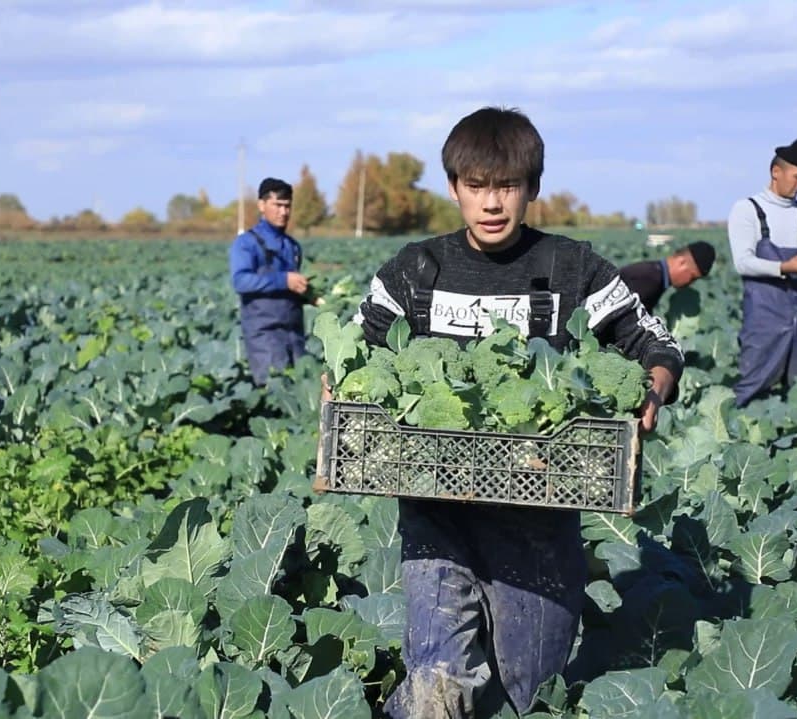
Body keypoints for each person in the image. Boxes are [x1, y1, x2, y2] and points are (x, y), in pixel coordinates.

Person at [352, 106, 684, 718]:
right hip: (436, 512)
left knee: (527, 694)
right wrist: (339, 383)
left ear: (532, 187)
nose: (491, 202)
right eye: (476, 186)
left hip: (540, 518)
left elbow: (654, 343)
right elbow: (355, 348)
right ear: (454, 188)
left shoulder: (572, 269)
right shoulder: (415, 272)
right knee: (436, 684)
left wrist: (654, 389)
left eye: (506, 186)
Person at [727, 137, 797, 407]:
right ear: (776, 172)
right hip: (765, 319)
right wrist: (784, 267)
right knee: (752, 391)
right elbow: (743, 263)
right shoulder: (747, 209)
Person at [229, 177, 309, 385]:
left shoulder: (292, 245)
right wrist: (283, 280)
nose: (283, 212)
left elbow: (293, 285)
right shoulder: (246, 243)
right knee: (275, 389)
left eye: (287, 206)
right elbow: (240, 281)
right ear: (261, 205)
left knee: (302, 389)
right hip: (264, 333)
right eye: (277, 205)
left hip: (294, 332)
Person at [618, 241, 717, 312]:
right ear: (681, 262)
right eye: (692, 277)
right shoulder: (650, 280)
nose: (690, 283)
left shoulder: (655, 273)